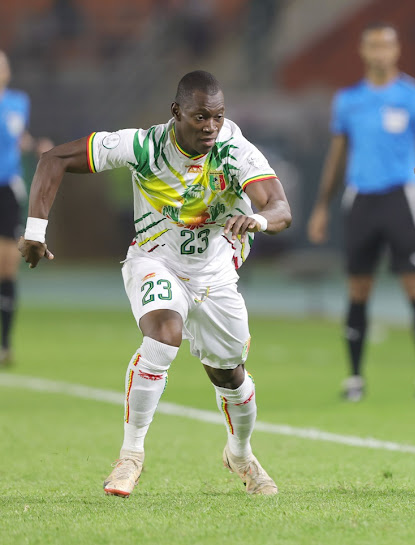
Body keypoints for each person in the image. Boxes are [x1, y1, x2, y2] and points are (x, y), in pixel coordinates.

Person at [19, 70, 292, 497]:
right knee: (164, 335)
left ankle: (240, 453)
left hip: (216, 273)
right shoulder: (143, 146)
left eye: (218, 117)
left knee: (231, 376)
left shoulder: (234, 149)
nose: (210, 127)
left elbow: (279, 207)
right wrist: (35, 231)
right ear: (176, 112)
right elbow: (53, 159)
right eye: (201, 116)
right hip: (155, 260)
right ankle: (130, 457)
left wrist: (257, 219)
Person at [307, 22, 415, 402]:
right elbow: (336, 157)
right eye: (373, 45)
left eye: (387, 44)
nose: (380, 51)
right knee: (357, 289)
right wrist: (321, 206)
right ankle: (354, 378)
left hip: (402, 198)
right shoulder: (348, 100)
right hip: (361, 200)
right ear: (363, 51)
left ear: (396, 50)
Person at [0, 50, 52, 367]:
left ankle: (4, 344)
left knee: (6, 269)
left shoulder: (19, 102)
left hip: (7, 189)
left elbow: (18, 138)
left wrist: (35, 145)